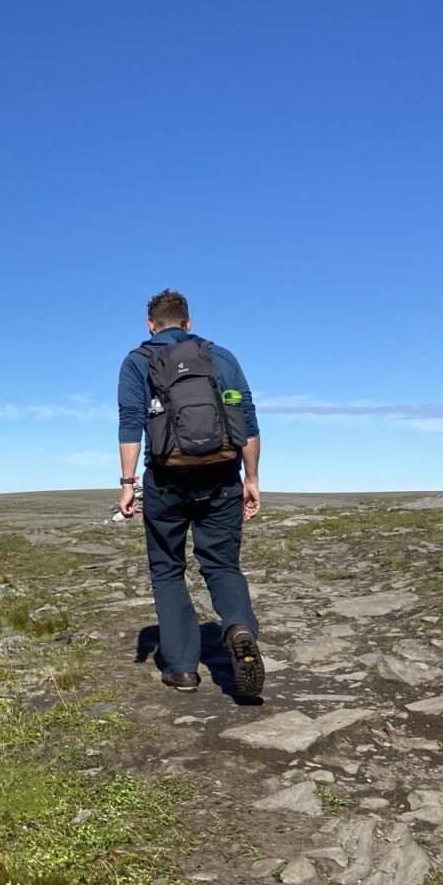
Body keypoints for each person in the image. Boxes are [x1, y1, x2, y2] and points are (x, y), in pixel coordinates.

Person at [116, 289, 265, 696]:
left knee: (167, 567)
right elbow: (246, 418)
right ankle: (236, 626)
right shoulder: (221, 357)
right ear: (189, 322)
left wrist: (128, 484)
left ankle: (182, 667)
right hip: (221, 475)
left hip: (166, 479)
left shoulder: (137, 361)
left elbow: (131, 422)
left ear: (150, 325)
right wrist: (250, 478)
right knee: (222, 565)